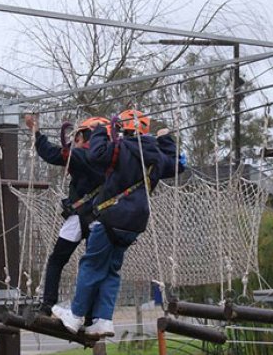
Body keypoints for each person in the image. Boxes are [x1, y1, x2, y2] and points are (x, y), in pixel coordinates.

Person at [52, 109, 182, 337]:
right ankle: (103, 319)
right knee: (111, 270)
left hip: (111, 217)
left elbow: (96, 154)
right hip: (135, 223)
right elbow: (178, 164)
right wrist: (166, 139)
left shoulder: (121, 148)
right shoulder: (156, 154)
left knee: (91, 265)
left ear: (124, 129)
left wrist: (102, 130)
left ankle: (75, 315)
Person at [24, 114, 107, 316]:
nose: (74, 142)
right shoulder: (113, 156)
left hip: (79, 218)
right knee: (95, 266)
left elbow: (51, 154)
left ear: (87, 139)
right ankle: (93, 315)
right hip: (104, 219)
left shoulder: (80, 155)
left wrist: (36, 131)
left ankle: (47, 305)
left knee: (57, 260)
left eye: (77, 139)